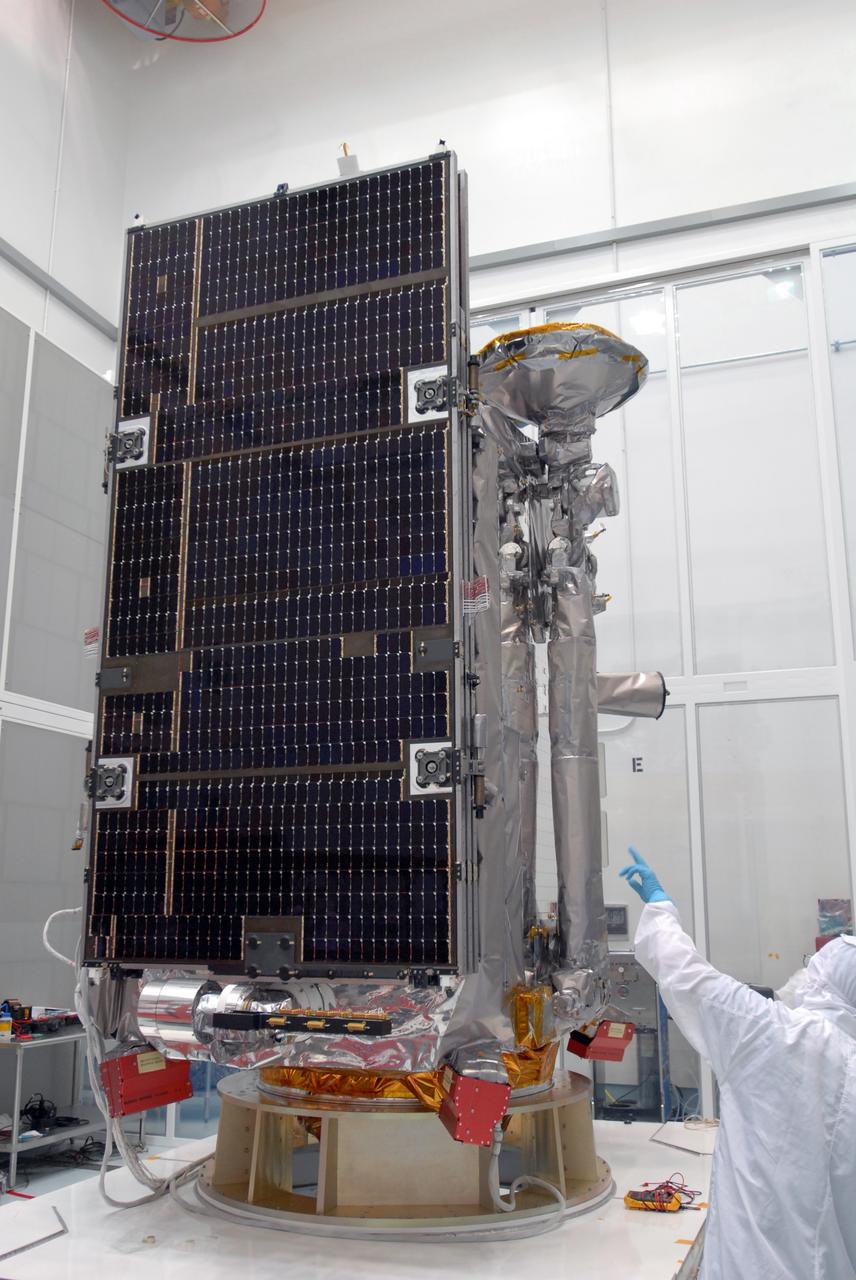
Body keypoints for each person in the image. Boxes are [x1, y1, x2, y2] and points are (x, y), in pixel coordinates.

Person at [620, 846, 856, 1280]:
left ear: (824, 982)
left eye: (813, 968)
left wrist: (660, 908)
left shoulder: (772, 1035)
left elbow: (687, 976)